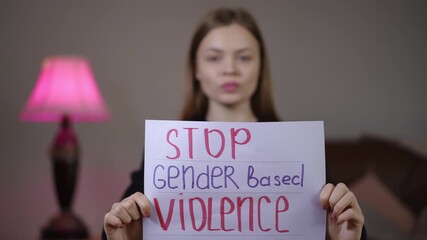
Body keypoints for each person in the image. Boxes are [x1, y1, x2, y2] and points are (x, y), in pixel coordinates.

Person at [103, 7, 366, 240]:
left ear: (260, 66)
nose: (230, 68)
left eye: (244, 57)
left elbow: (340, 222)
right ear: (196, 68)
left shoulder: (300, 148)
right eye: (214, 57)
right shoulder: (166, 148)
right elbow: (122, 225)